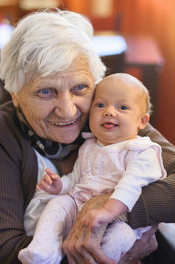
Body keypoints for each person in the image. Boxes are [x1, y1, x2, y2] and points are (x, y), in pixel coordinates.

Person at [0, 9, 175, 264]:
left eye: (80, 88)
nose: (67, 110)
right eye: (45, 91)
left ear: (96, 82)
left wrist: (111, 207)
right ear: (15, 94)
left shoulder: (110, 116)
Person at [18, 73, 167, 263]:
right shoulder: (89, 146)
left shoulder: (141, 151)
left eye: (122, 107)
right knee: (58, 204)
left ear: (142, 121)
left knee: (122, 237)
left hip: (118, 220)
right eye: (100, 105)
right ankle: (44, 251)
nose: (109, 112)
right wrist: (59, 186)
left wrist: (108, 211)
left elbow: (131, 186)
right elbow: (77, 178)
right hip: (78, 207)